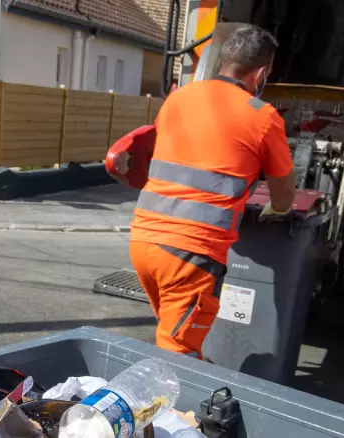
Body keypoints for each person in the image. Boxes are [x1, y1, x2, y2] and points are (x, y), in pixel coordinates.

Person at [127, 24, 296, 359]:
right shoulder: (263, 117)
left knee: (172, 336)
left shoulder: (177, 98)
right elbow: (283, 196)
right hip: (190, 254)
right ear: (261, 72)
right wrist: (277, 208)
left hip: (144, 240)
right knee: (178, 355)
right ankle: (175, 410)